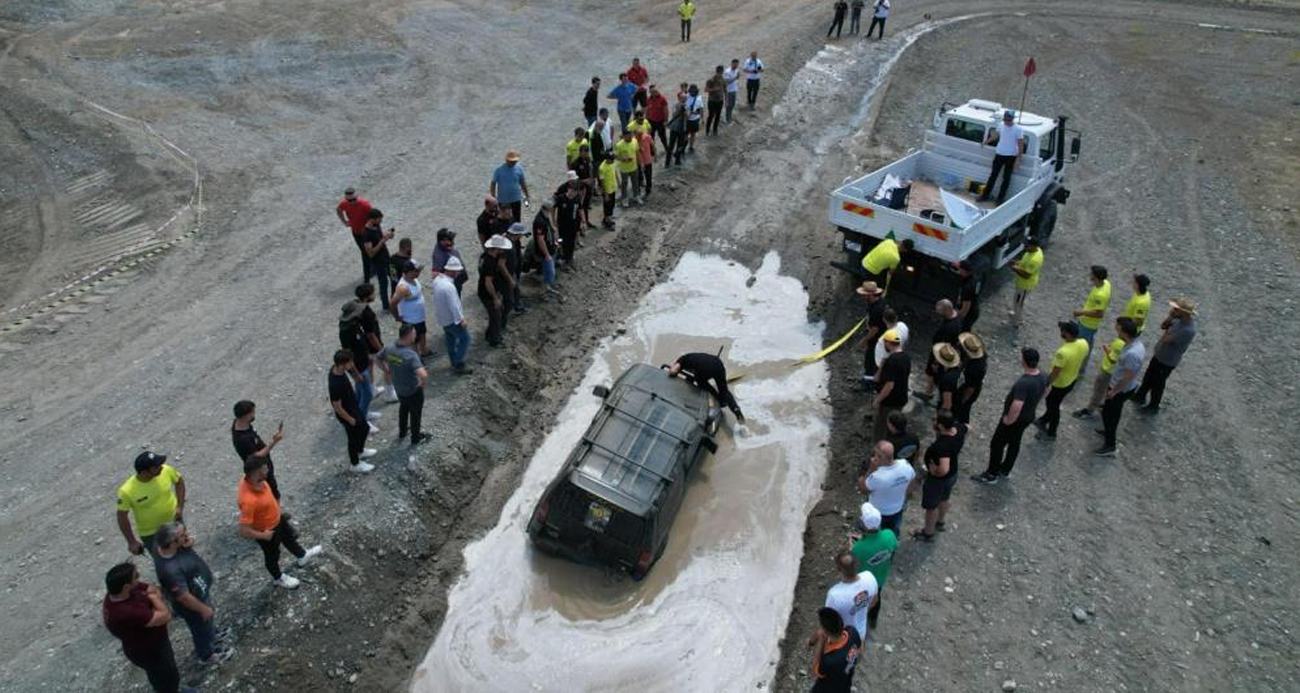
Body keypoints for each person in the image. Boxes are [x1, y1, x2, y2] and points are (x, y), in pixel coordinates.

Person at [237, 456, 324, 588]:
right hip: (267, 531)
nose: (268, 469)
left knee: (289, 539)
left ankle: (302, 556)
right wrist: (264, 536)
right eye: (265, 468)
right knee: (272, 555)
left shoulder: (258, 480)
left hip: (278, 520)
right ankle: (278, 578)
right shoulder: (248, 501)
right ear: (257, 472)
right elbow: (244, 531)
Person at [153, 522, 231, 665]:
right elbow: (184, 597)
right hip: (193, 604)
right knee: (199, 629)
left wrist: (188, 544)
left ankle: (212, 634)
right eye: (183, 535)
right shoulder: (170, 570)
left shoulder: (166, 547)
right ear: (172, 543)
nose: (187, 536)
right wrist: (203, 609)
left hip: (199, 590)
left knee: (206, 623)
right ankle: (206, 655)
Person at [102, 563, 185, 693]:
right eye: (136, 576)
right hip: (150, 651)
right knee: (166, 677)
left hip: (154, 642)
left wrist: (154, 598)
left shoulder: (120, 593)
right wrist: (154, 598)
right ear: (126, 586)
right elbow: (165, 615)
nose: (139, 578)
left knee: (165, 674)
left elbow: (152, 587)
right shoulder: (127, 612)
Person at [972, 348, 1046, 483]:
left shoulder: (1023, 383)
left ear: (1024, 361)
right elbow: (1047, 388)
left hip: (1015, 420)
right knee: (1014, 443)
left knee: (997, 444)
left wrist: (1008, 420)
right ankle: (1005, 470)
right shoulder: (1042, 375)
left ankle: (991, 474)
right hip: (1028, 416)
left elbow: (1017, 405)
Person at [1133, 298, 1198, 413]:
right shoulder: (1178, 319)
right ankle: (1140, 396)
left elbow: (1166, 340)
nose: (1173, 310)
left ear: (1184, 313)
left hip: (1167, 360)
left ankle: (1154, 406)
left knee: (1158, 384)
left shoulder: (1188, 330)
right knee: (1148, 377)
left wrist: (1168, 328)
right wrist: (1170, 317)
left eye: (1176, 309)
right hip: (1160, 354)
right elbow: (1163, 326)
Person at [116, 452, 185, 558]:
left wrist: (179, 507)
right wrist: (131, 541)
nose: (161, 467)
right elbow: (122, 516)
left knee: (186, 550)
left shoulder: (166, 470)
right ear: (144, 472)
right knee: (165, 561)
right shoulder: (126, 491)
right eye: (156, 467)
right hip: (152, 534)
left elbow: (179, 481)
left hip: (175, 523)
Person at [1095, 317, 1144, 457]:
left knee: (1108, 414)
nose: (1116, 331)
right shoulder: (1135, 345)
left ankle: (1110, 445)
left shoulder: (1132, 354)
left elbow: (1128, 376)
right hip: (1122, 387)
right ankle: (1108, 432)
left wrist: (1114, 391)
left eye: (1118, 329)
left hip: (1120, 388)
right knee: (1112, 412)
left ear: (1124, 333)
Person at [915, 410, 966, 540]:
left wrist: (933, 470)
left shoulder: (941, 445)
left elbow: (943, 469)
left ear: (941, 426)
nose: (933, 422)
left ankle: (928, 532)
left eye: (935, 420)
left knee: (931, 507)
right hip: (953, 475)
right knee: (944, 498)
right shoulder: (958, 429)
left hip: (939, 480)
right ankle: (940, 521)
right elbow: (969, 428)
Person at [377, 324, 431, 447]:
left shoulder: (389, 348)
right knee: (415, 414)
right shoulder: (410, 355)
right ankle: (416, 438)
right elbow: (423, 375)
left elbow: (377, 358)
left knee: (404, 408)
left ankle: (402, 432)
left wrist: (386, 370)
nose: (416, 336)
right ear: (410, 335)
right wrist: (422, 384)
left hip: (399, 388)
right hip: (413, 391)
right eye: (414, 334)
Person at [1033, 321, 1089, 440]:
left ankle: (1052, 433)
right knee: (1053, 402)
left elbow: (1055, 372)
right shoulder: (1084, 343)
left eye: (1063, 330)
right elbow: (1084, 359)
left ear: (1067, 334)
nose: (1061, 332)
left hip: (1060, 384)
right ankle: (1044, 419)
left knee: (1053, 405)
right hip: (1072, 379)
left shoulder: (1063, 353)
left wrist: (1046, 383)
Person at [850, 502, 897, 630]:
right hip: (880, 578)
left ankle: (860, 621)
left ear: (863, 525)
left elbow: (854, 566)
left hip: (863, 582)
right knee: (877, 599)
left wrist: (854, 545)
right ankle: (873, 619)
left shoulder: (858, 548)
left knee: (861, 602)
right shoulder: (889, 535)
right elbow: (893, 550)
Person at [328, 350, 377, 472]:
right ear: (342, 364)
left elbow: (351, 368)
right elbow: (337, 406)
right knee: (353, 438)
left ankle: (360, 451)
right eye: (350, 362)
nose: (352, 364)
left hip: (353, 406)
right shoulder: (335, 384)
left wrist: (355, 373)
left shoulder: (338, 369)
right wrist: (350, 420)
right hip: (347, 414)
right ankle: (355, 464)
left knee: (365, 428)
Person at [339, 294, 382, 432]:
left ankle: (362, 413)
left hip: (363, 361)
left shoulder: (354, 324)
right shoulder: (346, 331)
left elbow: (361, 342)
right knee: (368, 393)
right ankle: (362, 422)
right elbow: (347, 355)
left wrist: (367, 355)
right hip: (358, 366)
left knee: (359, 392)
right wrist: (355, 373)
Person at [668, 352, 745, 422]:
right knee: (723, 389)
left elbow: (673, 371)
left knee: (702, 383)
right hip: (718, 364)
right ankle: (735, 409)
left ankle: (717, 400)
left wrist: (672, 374)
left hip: (704, 368)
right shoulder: (688, 357)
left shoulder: (682, 361)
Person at [860, 440, 914, 538]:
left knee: (876, 535)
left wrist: (869, 471)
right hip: (897, 508)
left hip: (878, 512)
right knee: (893, 532)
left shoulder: (876, 476)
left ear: (880, 457)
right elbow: (912, 481)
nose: (874, 457)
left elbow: (863, 489)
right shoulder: (906, 465)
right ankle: (891, 546)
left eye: (876, 455)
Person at [231, 400, 283, 500]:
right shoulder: (243, 439)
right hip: (258, 468)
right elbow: (258, 455)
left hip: (261, 465)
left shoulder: (240, 424)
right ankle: (276, 514)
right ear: (245, 416)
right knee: (272, 491)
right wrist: (274, 441)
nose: (254, 415)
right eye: (252, 413)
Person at [822, 550, 877, 644]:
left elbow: (829, 621)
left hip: (843, 637)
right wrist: (860, 609)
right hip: (861, 631)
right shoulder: (869, 577)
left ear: (838, 569)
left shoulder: (834, 595)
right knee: (858, 650)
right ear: (857, 564)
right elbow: (874, 601)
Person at [1071, 332, 1128, 421]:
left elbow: (1113, 360)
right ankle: (1101, 406)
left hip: (1107, 370)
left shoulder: (1120, 343)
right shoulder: (1126, 343)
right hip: (1110, 370)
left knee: (1098, 390)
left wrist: (1107, 350)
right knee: (1102, 390)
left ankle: (1090, 410)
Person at [432, 255, 473, 373]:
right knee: (465, 339)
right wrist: (461, 320)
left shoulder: (437, 280)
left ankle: (453, 361)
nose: (458, 273)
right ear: (452, 271)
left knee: (450, 340)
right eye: (457, 271)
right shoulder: (449, 287)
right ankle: (457, 363)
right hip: (452, 319)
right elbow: (454, 306)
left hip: (443, 318)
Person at [808, 607, 862, 693]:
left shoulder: (830, 660)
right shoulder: (852, 632)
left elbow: (816, 670)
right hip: (845, 685)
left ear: (825, 632)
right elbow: (860, 653)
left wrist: (821, 640)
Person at [917, 299, 962, 399]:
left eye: (940, 311)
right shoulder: (956, 317)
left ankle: (928, 392)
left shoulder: (950, 327)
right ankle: (930, 391)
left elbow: (943, 346)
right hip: (943, 350)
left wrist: (936, 362)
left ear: (946, 310)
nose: (938, 313)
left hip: (939, 353)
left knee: (932, 372)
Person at [979, 110, 1026, 205]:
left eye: (1009, 120)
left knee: (1006, 178)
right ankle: (985, 195)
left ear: (1012, 119)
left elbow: (1020, 144)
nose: (1007, 121)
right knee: (993, 176)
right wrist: (986, 142)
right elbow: (996, 135)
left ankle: (1000, 199)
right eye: (1005, 119)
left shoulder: (1018, 129)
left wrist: (1018, 159)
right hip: (999, 154)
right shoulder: (1001, 125)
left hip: (1011, 156)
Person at [872, 329, 909, 443]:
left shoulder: (892, 361)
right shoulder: (906, 357)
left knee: (881, 427)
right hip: (902, 397)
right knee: (895, 425)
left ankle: (880, 449)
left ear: (888, 342)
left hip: (890, 401)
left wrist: (878, 400)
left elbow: (889, 385)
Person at [479, 235, 514, 346]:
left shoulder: (485, 257)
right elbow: (488, 282)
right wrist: (495, 298)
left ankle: (490, 334)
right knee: (496, 316)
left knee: (496, 314)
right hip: (487, 294)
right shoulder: (490, 263)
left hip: (486, 291)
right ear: (497, 248)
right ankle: (495, 340)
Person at [1073, 265, 1112, 364]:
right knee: (1087, 345)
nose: (1089, 275)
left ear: (1095, 277)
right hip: (1091, 324)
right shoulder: (1106, 283)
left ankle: (1078, 369)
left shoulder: (1100, 295)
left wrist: (1080, 312)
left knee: (1081, 348)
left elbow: (1099, 314)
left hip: (1088, 324)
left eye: (1091, 274)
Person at [391, 260, 430, 357]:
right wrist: (397, 317)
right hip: (411, 319)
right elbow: (392, 304)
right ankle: (417, 360)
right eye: (416, 271)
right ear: (408, 272)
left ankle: (424, 351)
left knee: (422, 334)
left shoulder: (413, 279)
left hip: (420, 317)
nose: (418, 273)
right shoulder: (403, 288)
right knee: (413, 341)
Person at [853, 280, 887, 386]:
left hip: (877, 338)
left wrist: (864, 341)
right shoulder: (879, 302)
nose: (863, 296)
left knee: (870, 360)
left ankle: (868, 383)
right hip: (880, 336)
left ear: (871, 294)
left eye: (865, 294)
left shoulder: (877, 309)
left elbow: (874, 329)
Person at [336, 187, 373, 283]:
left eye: (354, 199)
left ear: (357, 196)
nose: (352, 202)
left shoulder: (365, 205)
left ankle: (367, 277)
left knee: (365, 253)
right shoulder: (344, 204)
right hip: (356, 233)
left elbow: (374, 217)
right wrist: (344, 221)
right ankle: (372, 269)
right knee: (365, 251)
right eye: (349, 200)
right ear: (346, 199)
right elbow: (339, 209)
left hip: (366, 233)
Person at [360, 209, 395, 310]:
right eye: (379, 219)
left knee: (394, 277)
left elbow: (380, 237)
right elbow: (371, 253)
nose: (381, 222)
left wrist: (387, 235)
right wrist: (383, 240)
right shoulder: (366, 234)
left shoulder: (376, 226)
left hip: (387, 258)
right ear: (372, 219)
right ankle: (386, 305)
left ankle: (395, 299)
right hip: (379, 263)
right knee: (383, 284)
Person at [1008, 237, 1043, 328]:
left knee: (1019, 303)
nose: (1025, 246)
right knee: (1017, 299)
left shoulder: (1035, 260)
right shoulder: (1034, 250)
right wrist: (1017, 263)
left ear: (1034, 246)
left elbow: (1027, 275)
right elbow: (1024, 261)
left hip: (1025, 285)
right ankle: (1015, 312)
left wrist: (1014, 268)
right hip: (1021, 284)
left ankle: (1017, 321)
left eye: (1027, 245)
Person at [953, 332, 987, 424]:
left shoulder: (977, 367)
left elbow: (971, 388)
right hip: (966, 383)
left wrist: (963, 401)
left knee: (963, 410)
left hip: (969, 389)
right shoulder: (979, 355)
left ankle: (961, 426)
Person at [868, 307, 907, 382]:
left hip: (885, 367)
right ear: (896, 317)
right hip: (897, 359)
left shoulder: (886, 338)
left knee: (884, 384)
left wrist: (878, 374)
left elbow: (885, 358)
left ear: (884, 320)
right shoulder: (903, 326)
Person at [489, 150, 530, 223]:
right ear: (506, 160)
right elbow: (493, 183)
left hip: (516, 199)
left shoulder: (519, 168)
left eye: (515, 161)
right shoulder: (499, 170)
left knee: (517, 219)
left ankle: (517, 233)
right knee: (504, 220)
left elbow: (522, 182)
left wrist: (527, 194)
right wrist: (493, 197)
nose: (514, 163)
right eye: (512, 161)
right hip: (503, 200)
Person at [431, 228, 469, 297]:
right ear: (442, 241)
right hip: (452, 284)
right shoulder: (439, 256)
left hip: (457, 279)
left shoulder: (446, 246)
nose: (452, 242)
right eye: (450, 239)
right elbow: (436, 275)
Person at [556, 181, 583, 270]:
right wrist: (553, 220)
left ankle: (569, 258)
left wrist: (584, 221)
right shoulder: (561, 198)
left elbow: (580, 209)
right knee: (562, 241)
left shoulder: (577, 198)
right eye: (572, 191)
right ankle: (562, 258)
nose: (573, 193)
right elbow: (552, 208)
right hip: (562, 225)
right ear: (568, 189)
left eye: (575, 192)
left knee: (572, 242)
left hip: (574, 224)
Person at [928, 343, 963, 412]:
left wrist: (940, 418)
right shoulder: (958, 369)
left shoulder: (946, 379)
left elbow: (947, 405)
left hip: (950, 410)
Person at [504, 222, 530, 314]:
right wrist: (510, 277)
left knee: (515, 290)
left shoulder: (509, 241)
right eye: (521, 235)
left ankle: (517, 306)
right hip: (506, 274)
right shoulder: (507, 246)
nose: (521, 237)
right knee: (508, 296)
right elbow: (501, 264)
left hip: (510, 272)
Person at [614, 130, 642, 207]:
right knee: (624, 184)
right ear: (623, 136)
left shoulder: (634, 141)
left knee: (635, 183)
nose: (630, 137)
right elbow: (615, 156)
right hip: (624, 169)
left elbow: (637, 152)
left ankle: (636, 196)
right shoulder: (619, 145)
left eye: (631, 135)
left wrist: (640, 163)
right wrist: (623, 159)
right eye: (628, 136)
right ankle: (624, 199)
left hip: (634, 167)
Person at [954, 259, 981, 330]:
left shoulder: (967, 288)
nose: (958, 270)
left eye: (959, 269)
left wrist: (957, 319)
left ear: (964, 271)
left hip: (969, 314)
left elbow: (965, 309)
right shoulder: (976, 278)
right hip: (975, 308)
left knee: (962, 331)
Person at [666, 93, 689, 168]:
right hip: (675, 128)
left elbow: (688, 117)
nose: (684, 99)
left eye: (685, 98)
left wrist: (685, 112)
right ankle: (667, 162)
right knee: (671, 146)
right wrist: (680, 109)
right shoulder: (675, 105)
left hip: (683, 128)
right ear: (679, 98)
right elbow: (674, 115)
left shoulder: (687, 106)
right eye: (683, 98)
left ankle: (677, 159)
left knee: (680, 145)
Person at [646, 84, 671, 153]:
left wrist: (665, 120)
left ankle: (666, 148)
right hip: (651, 121)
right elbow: (647, 110)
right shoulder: (648, 99)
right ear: (650, 92)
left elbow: (665, 110)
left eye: (655, 91)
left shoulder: (662, 99)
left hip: (660, 121)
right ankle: (652, 150)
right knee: (651, 136)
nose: (654, 92)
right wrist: (646, 120)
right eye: (652, 91)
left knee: (662, 136)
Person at [598, 153, 619, 229]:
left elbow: (615, 172)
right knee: (607, 206)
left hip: (613, 188)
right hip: (607, 190)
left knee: (612, 204)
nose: (613, 160)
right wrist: (605, 193)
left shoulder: (612, 163)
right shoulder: (602, 168)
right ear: (606, 159)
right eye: (611, 159)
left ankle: (607, 219)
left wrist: (618, 182)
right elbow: (602, 182)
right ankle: (608, 222)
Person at [705, 66, 725, 136]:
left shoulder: (722, 79)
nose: (720, 75)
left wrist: (726, 98)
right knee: (711, 115)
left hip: (720, 100)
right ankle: (707, 130)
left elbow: (725, 88)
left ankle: (715, 129)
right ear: (716, 72)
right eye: (719, 73)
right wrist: (714, 89)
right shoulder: (711, 80)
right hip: (712, 101)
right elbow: (706, 90)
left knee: (718, 115)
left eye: (721, 73)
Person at [637, 127, 656, 201]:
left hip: (647, 161)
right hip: (639, 162)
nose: (639, 137)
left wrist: (655, 155)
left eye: (640, 135)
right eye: (637, 135)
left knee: (648, 175)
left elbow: (653, 145)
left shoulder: (647, 137)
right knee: (638, 176)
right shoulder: (635, 141)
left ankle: (648, 189)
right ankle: (638, 191)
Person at [685, 84, 704, 153]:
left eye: (693, 91)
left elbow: (701, 109)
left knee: (693, 134)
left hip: (695, 119)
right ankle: (684, 145)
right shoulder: (686, 96)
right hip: (686, 119)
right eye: (691, 91)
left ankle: (691, 146)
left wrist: (702, 118)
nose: (692, 93)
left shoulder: (699, 98)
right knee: (685, 134)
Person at [722, 58, 741, 124]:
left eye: (737, 65)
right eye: (735, 65)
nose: (736, 66)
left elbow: (736, 80)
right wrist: (735, 77)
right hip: (728, 91)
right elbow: (727, 81)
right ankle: (727, 118)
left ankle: (729, 116)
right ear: (732, 63)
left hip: (734, 90)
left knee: (732, 104)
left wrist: (737, 78)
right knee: (728, 105)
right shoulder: (727, 72)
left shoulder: (736, 70)